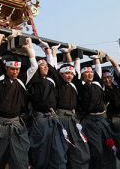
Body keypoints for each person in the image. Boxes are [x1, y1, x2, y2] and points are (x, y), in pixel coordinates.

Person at [0, 34, 38, 169]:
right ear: (6, 68)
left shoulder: (21, 80)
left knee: (20, 158)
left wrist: (28, 49)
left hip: (16, 124)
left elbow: (34, 66)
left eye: (17, 69)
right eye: (12, 69)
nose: (15, 72)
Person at [43, 43, 90, 169]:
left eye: (71, 73)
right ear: (61, 74)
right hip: (60, 118)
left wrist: (68, 53)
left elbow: (74, 69)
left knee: (79, 148)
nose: (69, 75)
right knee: (60, 149)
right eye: (66, 73)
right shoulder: (57, 83)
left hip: (73, 119)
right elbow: (53, 68)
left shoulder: (74, 84)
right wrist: (51, 51)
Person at [26, 40, 68, 169]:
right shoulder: (32, 80)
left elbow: (55, 71)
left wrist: (49, 51)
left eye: (46, 66)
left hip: (53, 118)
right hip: (40, 119)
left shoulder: (51, 81)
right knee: (40, 152)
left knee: (58, 151)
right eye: (42, 65)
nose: (46, 67)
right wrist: (29, 48)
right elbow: (33, 66)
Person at [74, 53, 116, 169]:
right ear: (82, 75)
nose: (89, 74)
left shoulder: (98, 83)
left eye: (91, 72)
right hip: (90, 121)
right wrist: (77, 57)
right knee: (96, 150)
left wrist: (97, 60)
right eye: (86, 73)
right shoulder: (80, 86)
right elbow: (75, 73)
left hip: (102, 120)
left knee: (109, 146)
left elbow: (98, 71)